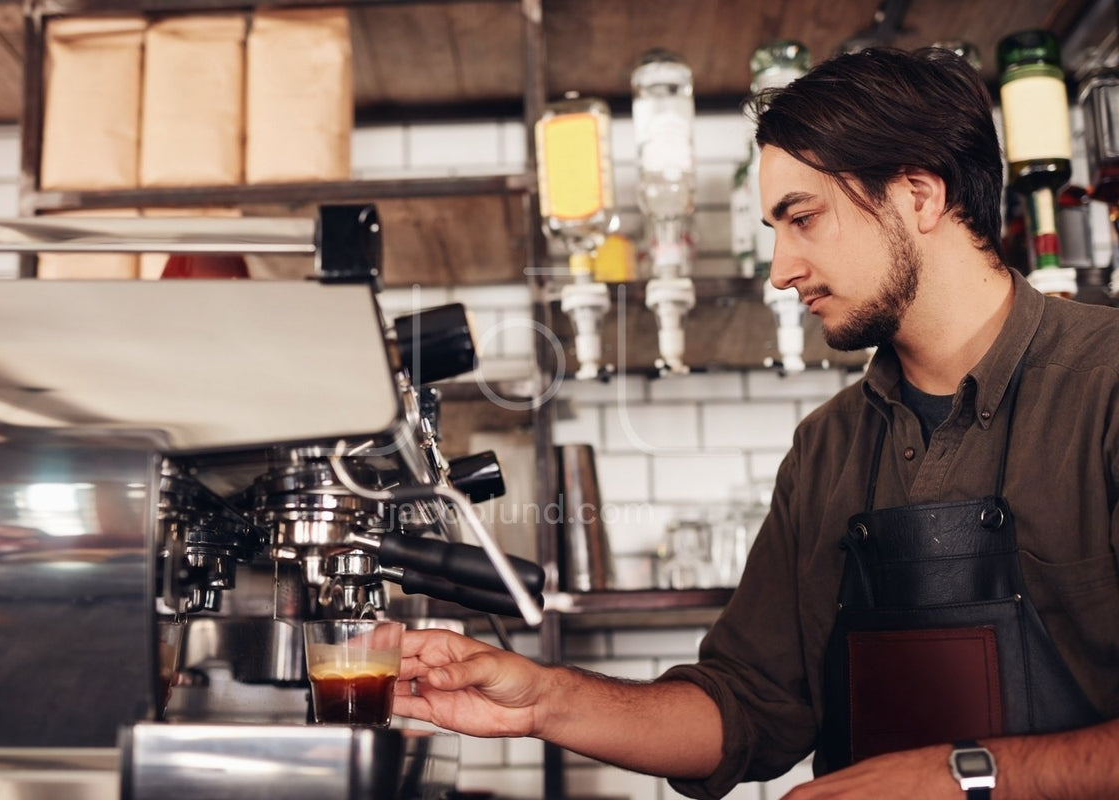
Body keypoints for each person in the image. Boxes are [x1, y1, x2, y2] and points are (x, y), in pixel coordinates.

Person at [392, 46, 1119, 799]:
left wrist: (960, 776)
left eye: (804, 219)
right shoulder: (828, 446)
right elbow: (746, 706)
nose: (781, 268)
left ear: (919, 196)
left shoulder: (1105, 389)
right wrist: (543, 699)